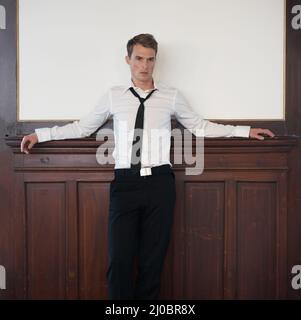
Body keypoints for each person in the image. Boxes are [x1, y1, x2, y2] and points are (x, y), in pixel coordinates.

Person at [20, 34, 275, 300]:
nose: (145, 65)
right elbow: (83, 127)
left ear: (156, 61)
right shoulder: (113, 96)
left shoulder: (171, 96)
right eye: (139, 59)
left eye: (150, 59)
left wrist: (244, 131)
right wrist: (42, 135)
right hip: (125, 183)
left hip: (160, 184)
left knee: (152, 264)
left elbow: (200, 126)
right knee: (119, 260)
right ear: (128, 60)